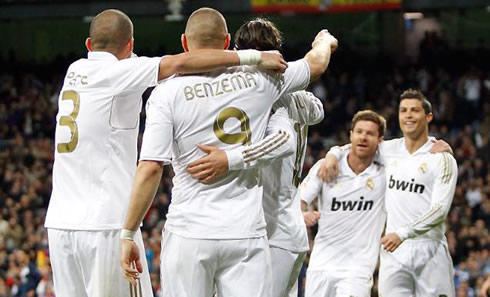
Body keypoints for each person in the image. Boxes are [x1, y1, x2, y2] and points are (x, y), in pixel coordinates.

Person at [44, 8, 287, 297]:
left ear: (88, 45)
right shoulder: (122, 72)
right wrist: (254, 58)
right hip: (105, 223)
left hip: (59, 225)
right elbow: (183, 63)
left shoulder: (75, 71)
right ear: (131, 45)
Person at [119, 7, 337, 297]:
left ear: (185, 43)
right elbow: (316, 65)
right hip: (245, 233)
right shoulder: (263, 79)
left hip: (189, 233)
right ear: (226, 42)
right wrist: (324, 41)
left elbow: (150, 168)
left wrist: (128, 233)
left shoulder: (165, 94)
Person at [185, 18, 325, 297]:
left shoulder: (265, 95)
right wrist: (324, 42)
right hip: (289, 228)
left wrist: (229, 159)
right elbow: (317, 111)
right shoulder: (299, 95)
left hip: (269, 231)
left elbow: (283, 141)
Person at [323, 89, 458, 297]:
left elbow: (440, 210)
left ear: (428, 117)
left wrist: (403, 233)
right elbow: (358, 145)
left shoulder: (441, 158)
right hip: (393, 253)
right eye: (403, 111)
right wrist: (332, 153)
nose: (408, 115)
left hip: (429, 250)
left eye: (415, 110)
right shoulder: (388, 150)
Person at [299, 110, 387, 297]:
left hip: (358, 269)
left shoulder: (385, 173)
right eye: (359, 132)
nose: (363, 137)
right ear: (351, 135)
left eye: (370, 133)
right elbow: (299, 201)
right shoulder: (326, 166)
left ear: (380, 140)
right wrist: (302, 215)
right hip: (321, 264)